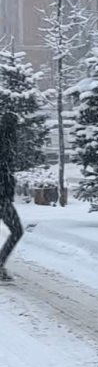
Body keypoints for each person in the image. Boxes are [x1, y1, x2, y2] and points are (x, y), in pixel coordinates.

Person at [0, 112, 22, 281]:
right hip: (2, 198)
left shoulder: (8, 143)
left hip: (3, 197)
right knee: (17, 231)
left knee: (17, 231)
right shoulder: (6, 143)